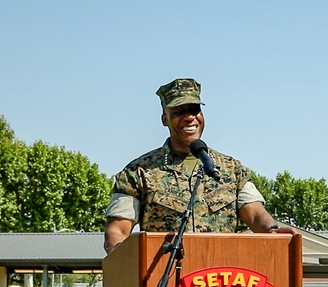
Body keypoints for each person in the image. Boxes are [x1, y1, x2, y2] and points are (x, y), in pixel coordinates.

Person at [103, 78, 296, 252]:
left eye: (194, 110)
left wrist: (273, 231)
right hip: (165, 281)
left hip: (221, 279)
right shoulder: (138, 172)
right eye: (179, 112)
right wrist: (123, 260)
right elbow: (117, 232)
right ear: (164, 119)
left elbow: (255, 215)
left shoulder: (232, 169)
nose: (189, 117)